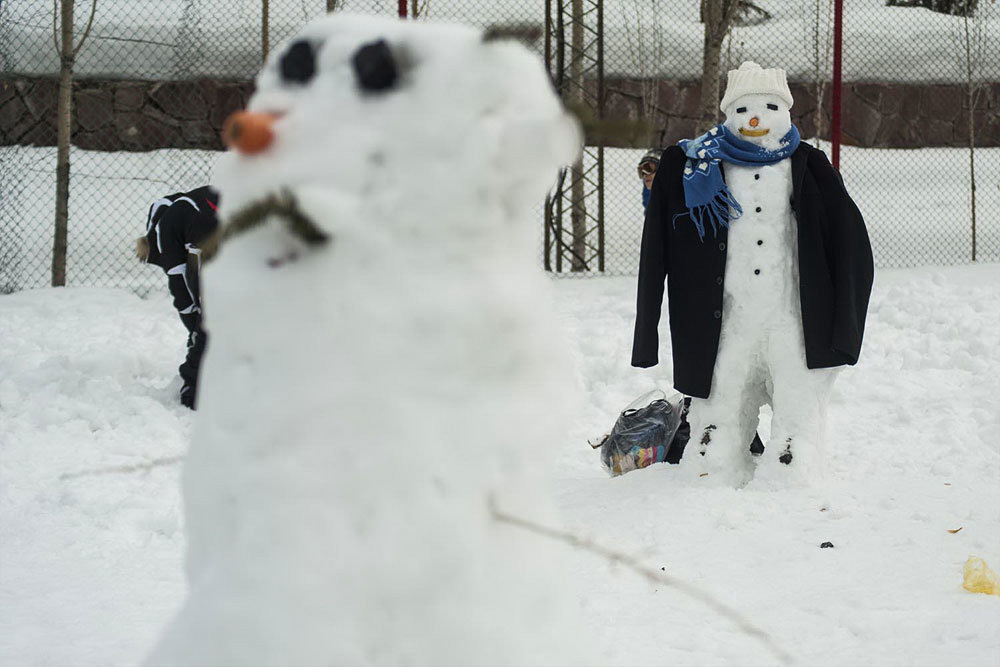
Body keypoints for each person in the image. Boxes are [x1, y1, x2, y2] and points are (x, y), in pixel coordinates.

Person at [135, 186, 220, 409]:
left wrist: (194, 325)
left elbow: (181, 290)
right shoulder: (183, 203)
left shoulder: (166, 234)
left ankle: (193, 393)